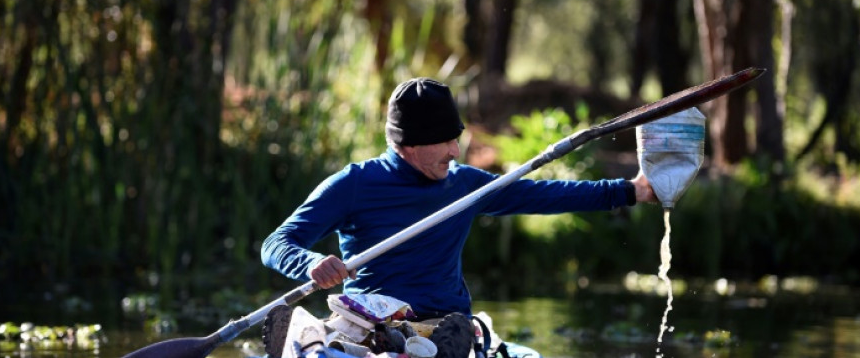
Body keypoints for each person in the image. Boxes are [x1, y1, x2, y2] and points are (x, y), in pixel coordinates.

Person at [260, 77, 657, 356]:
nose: (455, 150)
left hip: (445, 322)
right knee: (367, 342)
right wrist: (312, 263)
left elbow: (543, 194)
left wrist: (631, 191)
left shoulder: (464, 185)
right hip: (370, 322)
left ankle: (442, 345)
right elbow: (276, 244)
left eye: (457, 137)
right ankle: (328, 343)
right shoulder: (354, 184)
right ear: (409, 144)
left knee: (493, 347)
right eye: (445, 140)